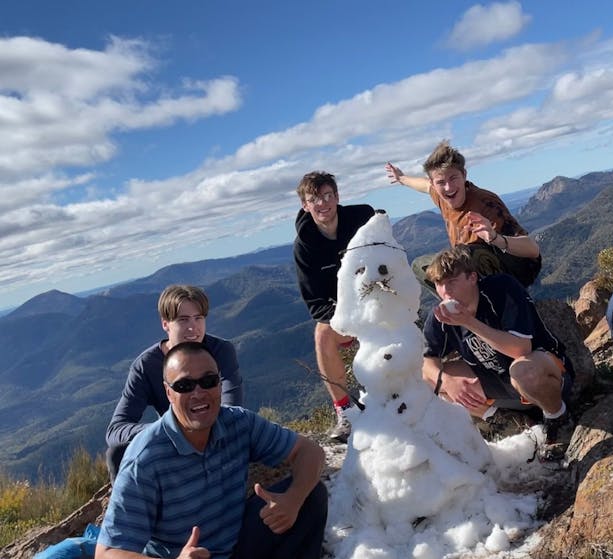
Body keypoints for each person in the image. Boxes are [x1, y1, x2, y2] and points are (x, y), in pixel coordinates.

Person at [96, 341, 327, 559]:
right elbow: (106, 553)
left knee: (311, 495)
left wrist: (292, 500)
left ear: (219, 383)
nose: (198, 393)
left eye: (208, 381)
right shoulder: (146, 459)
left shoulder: (237, 422)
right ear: (169, 393)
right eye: (184, 386)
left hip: (237, 545)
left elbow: (310, 452)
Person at [420, 246, 574, 461]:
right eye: (439, 284)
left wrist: (469, 322)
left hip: (545, 374)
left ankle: (557, 418)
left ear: (472, 277)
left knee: (523, 370)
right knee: (430, 380)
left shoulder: (501, 289)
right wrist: (445, 381)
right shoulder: (440, 316)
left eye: (451, 281)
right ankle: (503, 420)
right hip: (501, 385)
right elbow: (427, 361)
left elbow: (521, 349)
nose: (445, 291)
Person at [105, 284, 243, 481]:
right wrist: (166, 428)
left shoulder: (221, 351)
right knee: (116, 454)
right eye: (183, 320)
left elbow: (232, 406)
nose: (193, 327)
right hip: (173, 443)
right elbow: (115, 430)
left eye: (199, 318)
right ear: (165, 324)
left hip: (217, 435)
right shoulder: (146, 366)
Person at [385, 140, 541, 290]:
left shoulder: (485, 203)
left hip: (517, 271)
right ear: (434, 184)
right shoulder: (440, 196)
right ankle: (462, 304)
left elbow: (532, 250)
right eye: (440, 182)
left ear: (464, 175)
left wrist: (494, 238)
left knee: (467, 255)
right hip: (472, 267)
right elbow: (424, 185)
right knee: (422, 266)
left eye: (453, 178)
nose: (448, 187)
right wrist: (401, 178)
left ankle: (492, 304)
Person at [293, 171, 375, 443]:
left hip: (379, 301)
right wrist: (348, 319)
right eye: (314, 199)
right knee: (322, 334)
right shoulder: (305, 247)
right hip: (343, 315)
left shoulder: (362, 220)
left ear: (337, 197)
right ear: (305, 205)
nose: (323, 203)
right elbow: (314, 303)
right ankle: (345, 411)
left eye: (328, 195)